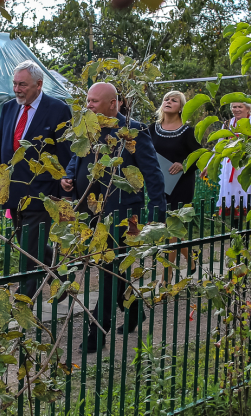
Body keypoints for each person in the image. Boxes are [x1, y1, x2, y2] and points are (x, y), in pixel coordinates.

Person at [61, 82, 167, 353]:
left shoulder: (133, 131)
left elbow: (152, 172)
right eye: (88, 99)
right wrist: (70, 176)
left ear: (113, 103)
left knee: (109, 271)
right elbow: (78, 156)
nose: (89, 105)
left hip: (122, 213)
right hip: (89, 210)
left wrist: (158, 211)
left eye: (94, 101)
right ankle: (133, 312)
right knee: (111, 269)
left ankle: (97, 331)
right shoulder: (88, 126)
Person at [0, 60, 73, 298]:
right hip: (14, 192)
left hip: (42, 192)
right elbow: (0, 149)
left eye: (22, 85)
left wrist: (66, 189)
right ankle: (62, 278)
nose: (17, 89)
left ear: (39, 84)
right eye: (15, 83)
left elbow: (65, 152)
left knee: (29, 246)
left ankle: (24, 297)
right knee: (30, 243)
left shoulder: (57, 109)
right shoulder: (8, 108)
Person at [149, 90, 201, 277]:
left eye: (174, 100)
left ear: (181, 107)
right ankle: (190, 256)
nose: (168, 101)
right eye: (166, 99)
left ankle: (166, 274)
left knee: (171, 226)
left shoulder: (188, 132)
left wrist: (183, 164)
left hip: (181, 185)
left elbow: (200, 156)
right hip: (159, 184)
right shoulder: (151, 129)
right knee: (169, 227)